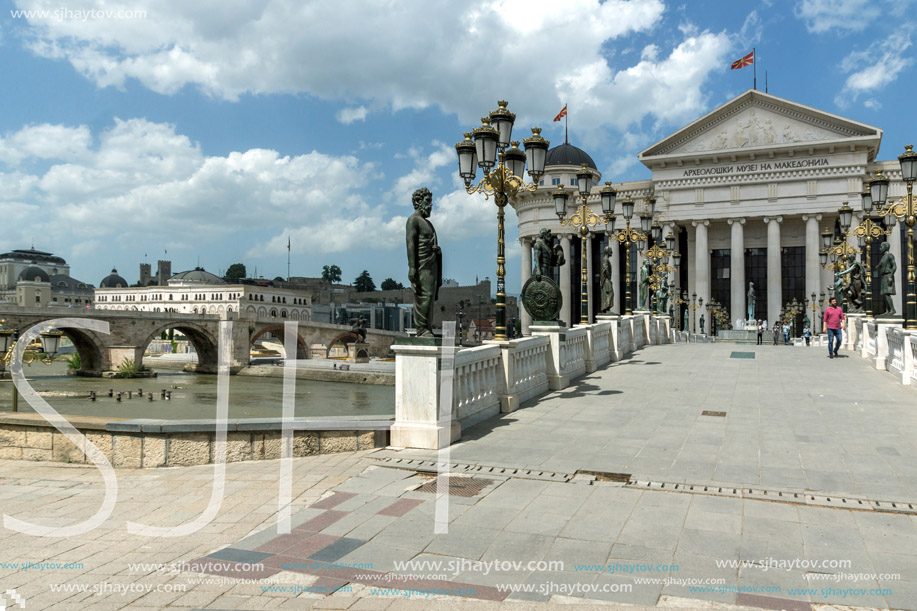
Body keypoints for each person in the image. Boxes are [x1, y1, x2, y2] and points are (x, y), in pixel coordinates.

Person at [405, 187, 442, 337]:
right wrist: (412, 267)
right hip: (422, 265)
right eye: (428, 201)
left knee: (430, 296)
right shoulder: (413, 220)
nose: (431, 205)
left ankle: (428, 328)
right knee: (424, 295)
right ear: (418, 202)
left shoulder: (429, 224)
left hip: (432, 264)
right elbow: (410, 244)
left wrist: (437, 251)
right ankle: (421, 329)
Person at [877, 242, 897, 317]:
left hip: (888, 275)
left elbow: (894, 266)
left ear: (886, 247)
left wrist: (891, 276)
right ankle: (888, 310)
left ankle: (892, 309)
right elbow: (879, 266)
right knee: (884, 294)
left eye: (881, 247)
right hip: (883, 276)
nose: (880, 248)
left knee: (887, 293)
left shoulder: (890, 255)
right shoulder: (883, 257)